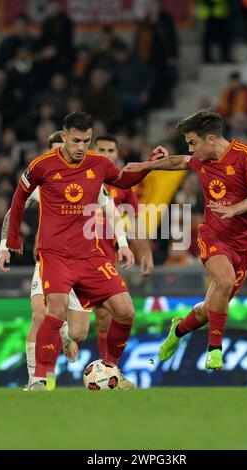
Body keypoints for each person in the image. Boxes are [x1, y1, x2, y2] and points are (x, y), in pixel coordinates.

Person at [6, 111, 151, 390]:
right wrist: (12, 240)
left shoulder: (98, 164)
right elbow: (19, 197)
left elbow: (123, 181)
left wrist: (149, 166)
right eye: (76, 140)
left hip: (90, 255)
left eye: (86, 141)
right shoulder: (42, 165)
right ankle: (39, 379)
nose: (81, 146)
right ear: (63, 137)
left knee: (125, 311)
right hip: (55, 254)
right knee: (55, 310)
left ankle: (113, 371)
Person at [124, 110, 247, 369]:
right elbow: (179, 161)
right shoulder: (200, 159)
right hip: (213, 236)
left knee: (208, 308)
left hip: (246, 243)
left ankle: (177, 330)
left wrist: (236, 209)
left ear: (210, 139)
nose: (191, 149)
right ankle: (215, 350)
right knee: (223, 279)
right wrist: (146, 166)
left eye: (193, 142)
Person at [93, 134, 153, 358]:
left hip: (105, 257)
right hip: (72, 252)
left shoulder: (123, 184)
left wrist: (145, 252)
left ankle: (108, 370)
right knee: (73, 326)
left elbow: (135, 221)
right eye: (101, 150)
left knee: (105, 316)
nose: (106, 155)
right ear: (93, 150)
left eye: (111, 151)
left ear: (117, 154)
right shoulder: (81, 175)